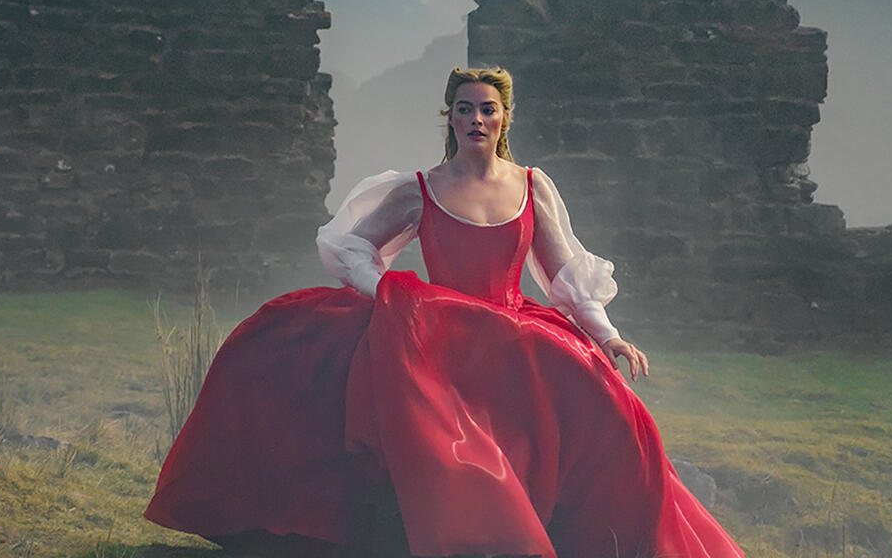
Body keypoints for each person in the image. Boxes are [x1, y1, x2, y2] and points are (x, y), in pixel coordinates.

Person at [144, 67, 743, 558]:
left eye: (486, 109)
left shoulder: (533, 185)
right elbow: (350, 246)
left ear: (505, 117)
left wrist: (608, 336)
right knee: (276, 346)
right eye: (463, 108)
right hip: (438, 327)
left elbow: (565, 275)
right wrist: (390, 297)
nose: (475, 119)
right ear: (449, 117)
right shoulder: (421, 188)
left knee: (615, 407)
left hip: (514, 328)